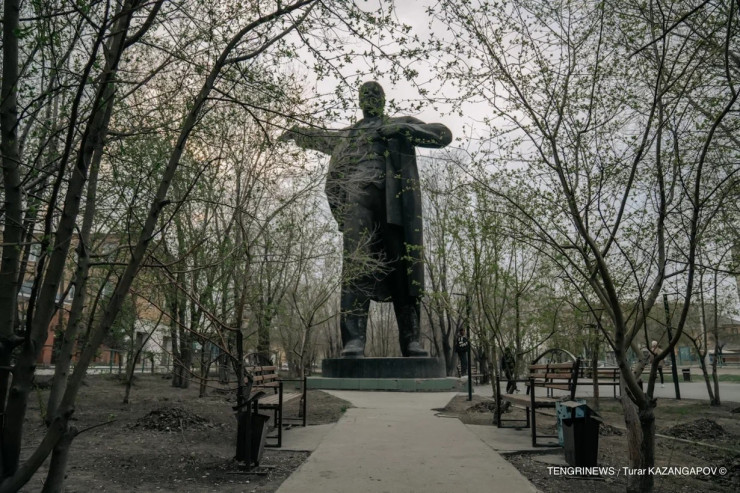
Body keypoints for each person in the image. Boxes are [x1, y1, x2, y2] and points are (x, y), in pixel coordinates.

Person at [281, 81, 452, 358]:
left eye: (375, 93)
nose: (370, 97)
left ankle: (411, 340)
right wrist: (298, 133)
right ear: (359, 101)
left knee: (402, 265)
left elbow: (442, 134)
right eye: (365, 94)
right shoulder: (350, 134)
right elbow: (320, 137)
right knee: (356, 264)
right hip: (356, 200)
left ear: (384, 99)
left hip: (394, 203)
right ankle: (354, 340)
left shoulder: (398, 124)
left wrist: (405, 129)